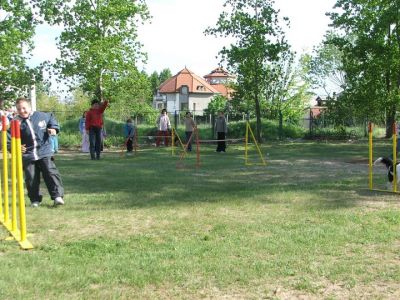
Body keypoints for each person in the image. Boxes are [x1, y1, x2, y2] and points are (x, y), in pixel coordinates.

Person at [15, 97, 64, 207]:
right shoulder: (15, 122)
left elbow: (51, 119)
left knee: (50, 172)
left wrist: (54, 128)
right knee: (31, 177)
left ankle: (57, 196)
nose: (22, 111)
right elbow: (8, 138)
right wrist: (15, 146)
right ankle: (35, 200)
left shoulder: (42, 116)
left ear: (29, 107)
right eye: (19, 109)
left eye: (24, 108)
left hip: (44, 151)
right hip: (28, 154)